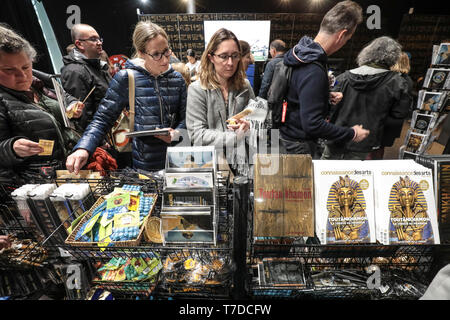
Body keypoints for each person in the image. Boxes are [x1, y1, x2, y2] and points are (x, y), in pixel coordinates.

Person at [65, 21, 186, 174]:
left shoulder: (177, 79)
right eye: (156, 54)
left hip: (177, 158)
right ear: (141, 53)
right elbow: (103, 118)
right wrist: (83, 147)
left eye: (166, 51)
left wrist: (177, 134)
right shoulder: (126, 78)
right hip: (145, 164)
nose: (164, 59)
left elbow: (186, 118)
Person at [279, 0, 369, 158]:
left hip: (288, 138)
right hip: (299, 146)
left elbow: (296, 94)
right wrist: (352, 133)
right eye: (347, 40)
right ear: (341, 35)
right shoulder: (313, 68)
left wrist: (323, 96)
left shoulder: (301, 55)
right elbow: (312, 125)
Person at [0, 25, 84, 182]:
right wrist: (12, 148)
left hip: (69, 174)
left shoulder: (41, 82)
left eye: (26, 66)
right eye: (9, 70)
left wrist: (72, 104)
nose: (22, 75)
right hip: (36, 187)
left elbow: (64, 96)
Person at [322, 37, 412, 160]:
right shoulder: (397, 83)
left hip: (336, 137)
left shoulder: (343, 77)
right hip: (365, 140)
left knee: (325, 174)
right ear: (393, 57)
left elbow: (327, 106)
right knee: (355, 177)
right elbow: (400, 113)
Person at [186, 28, 255, 173]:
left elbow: (258, 119)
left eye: (235, 56)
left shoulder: (245, 86)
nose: (230, 63)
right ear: (211, 57)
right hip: (211, 166)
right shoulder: (197, 89)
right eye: (223, 56)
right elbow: (197, 134)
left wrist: (250, 125)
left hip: (243, 164)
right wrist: (233, 137)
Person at [61, 24, 112, 132]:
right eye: (93, 39)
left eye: (99, 39)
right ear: (79, 44)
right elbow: (82, 117)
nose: (99, 42)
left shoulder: (98, 67)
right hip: (96, 141)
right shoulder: (74, 71)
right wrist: (98, 141)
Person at [366, 51, 414, 160]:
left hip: (383, 122)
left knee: (372, 150)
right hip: (388, 123)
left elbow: (400, 110)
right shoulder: (405, 80)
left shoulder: (398, 81)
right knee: (378, 149)